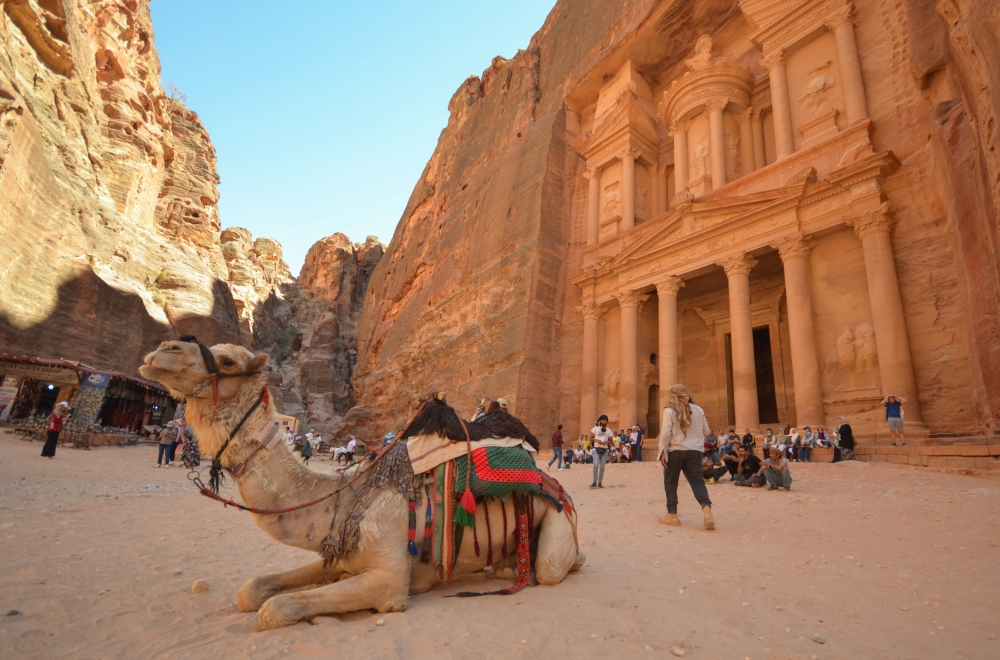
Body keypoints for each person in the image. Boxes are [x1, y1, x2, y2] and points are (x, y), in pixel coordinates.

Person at [658, 384, 714, 530]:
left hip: (675, 450)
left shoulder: (670, 409)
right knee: (697, 482)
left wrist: (662, 451)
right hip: (694, 451)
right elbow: (707, 431)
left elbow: (665, 433)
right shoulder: (698, 409)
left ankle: (672, 515)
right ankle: (707, 511)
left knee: (670, 481)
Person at [590, 415, 614, 488]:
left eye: (605, 420)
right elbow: (590, 438)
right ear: (600, 421)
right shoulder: (595, 428)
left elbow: (611, 441)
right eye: (603, 420)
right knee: (596, 464)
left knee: (602, 467)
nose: (604, 421)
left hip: (604, 450)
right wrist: (597, 440)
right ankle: (594, 482)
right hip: (596, 448)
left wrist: (606, 442)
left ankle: (600, 483)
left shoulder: (608, 430)